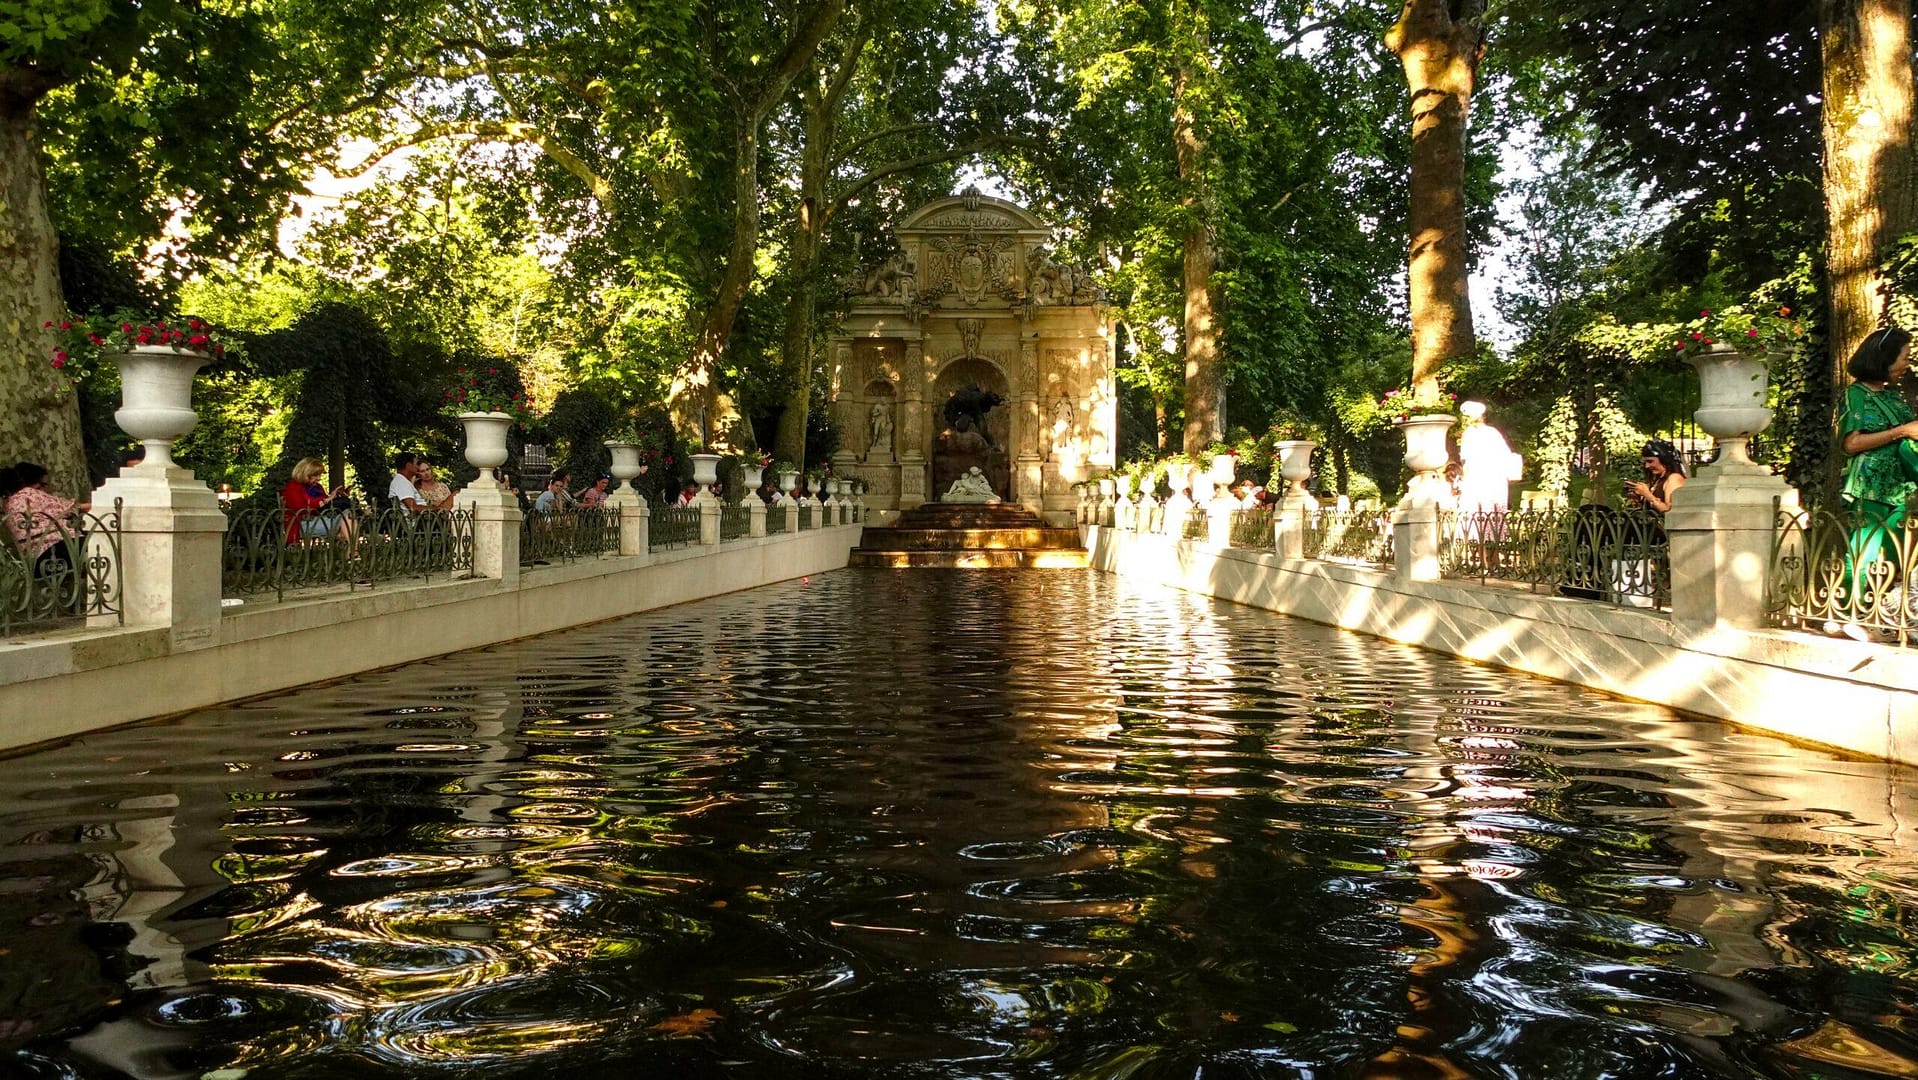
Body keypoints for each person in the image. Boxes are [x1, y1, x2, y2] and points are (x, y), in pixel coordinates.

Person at [1837, 326, 1918, 622]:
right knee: (1864, 551)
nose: (1906, 365)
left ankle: (1876, 613)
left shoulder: (1895, 397)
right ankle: (1845, 615)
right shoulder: (1855, 394)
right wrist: (1900, 431)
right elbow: (1851, 443)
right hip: (1869, 484)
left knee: (1892, 553)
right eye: (1904, 357)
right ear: (1884, 357)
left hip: (1900, 485)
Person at [1, 462, 90, 578]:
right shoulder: (28, 495)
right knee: (103, 544)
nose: (44, 490)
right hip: (58, 552)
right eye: (41, 485)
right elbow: (72, 507)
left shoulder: (8, 505)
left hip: (38, 563)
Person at [281, 457, 354, 543]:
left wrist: (333, 498)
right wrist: (324, 501)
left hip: (320, 520)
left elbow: (325, 505)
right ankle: (351, 551)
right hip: (301, 524)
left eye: (320, 475)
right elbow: (301, 507)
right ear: (305, 473)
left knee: (349, 515)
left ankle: (351, 550)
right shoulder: (293, 488)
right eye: (316, 475)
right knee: (348, 521)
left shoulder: (317, 487)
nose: (319, 478)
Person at [1624, 440, 1688, 517]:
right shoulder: (1658, 479)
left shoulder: (1674, 478)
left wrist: (1647, 495)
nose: (1646, 466)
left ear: (1664, 460)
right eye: (1645, 462)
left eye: (1650, 461)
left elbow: (1670, 512)